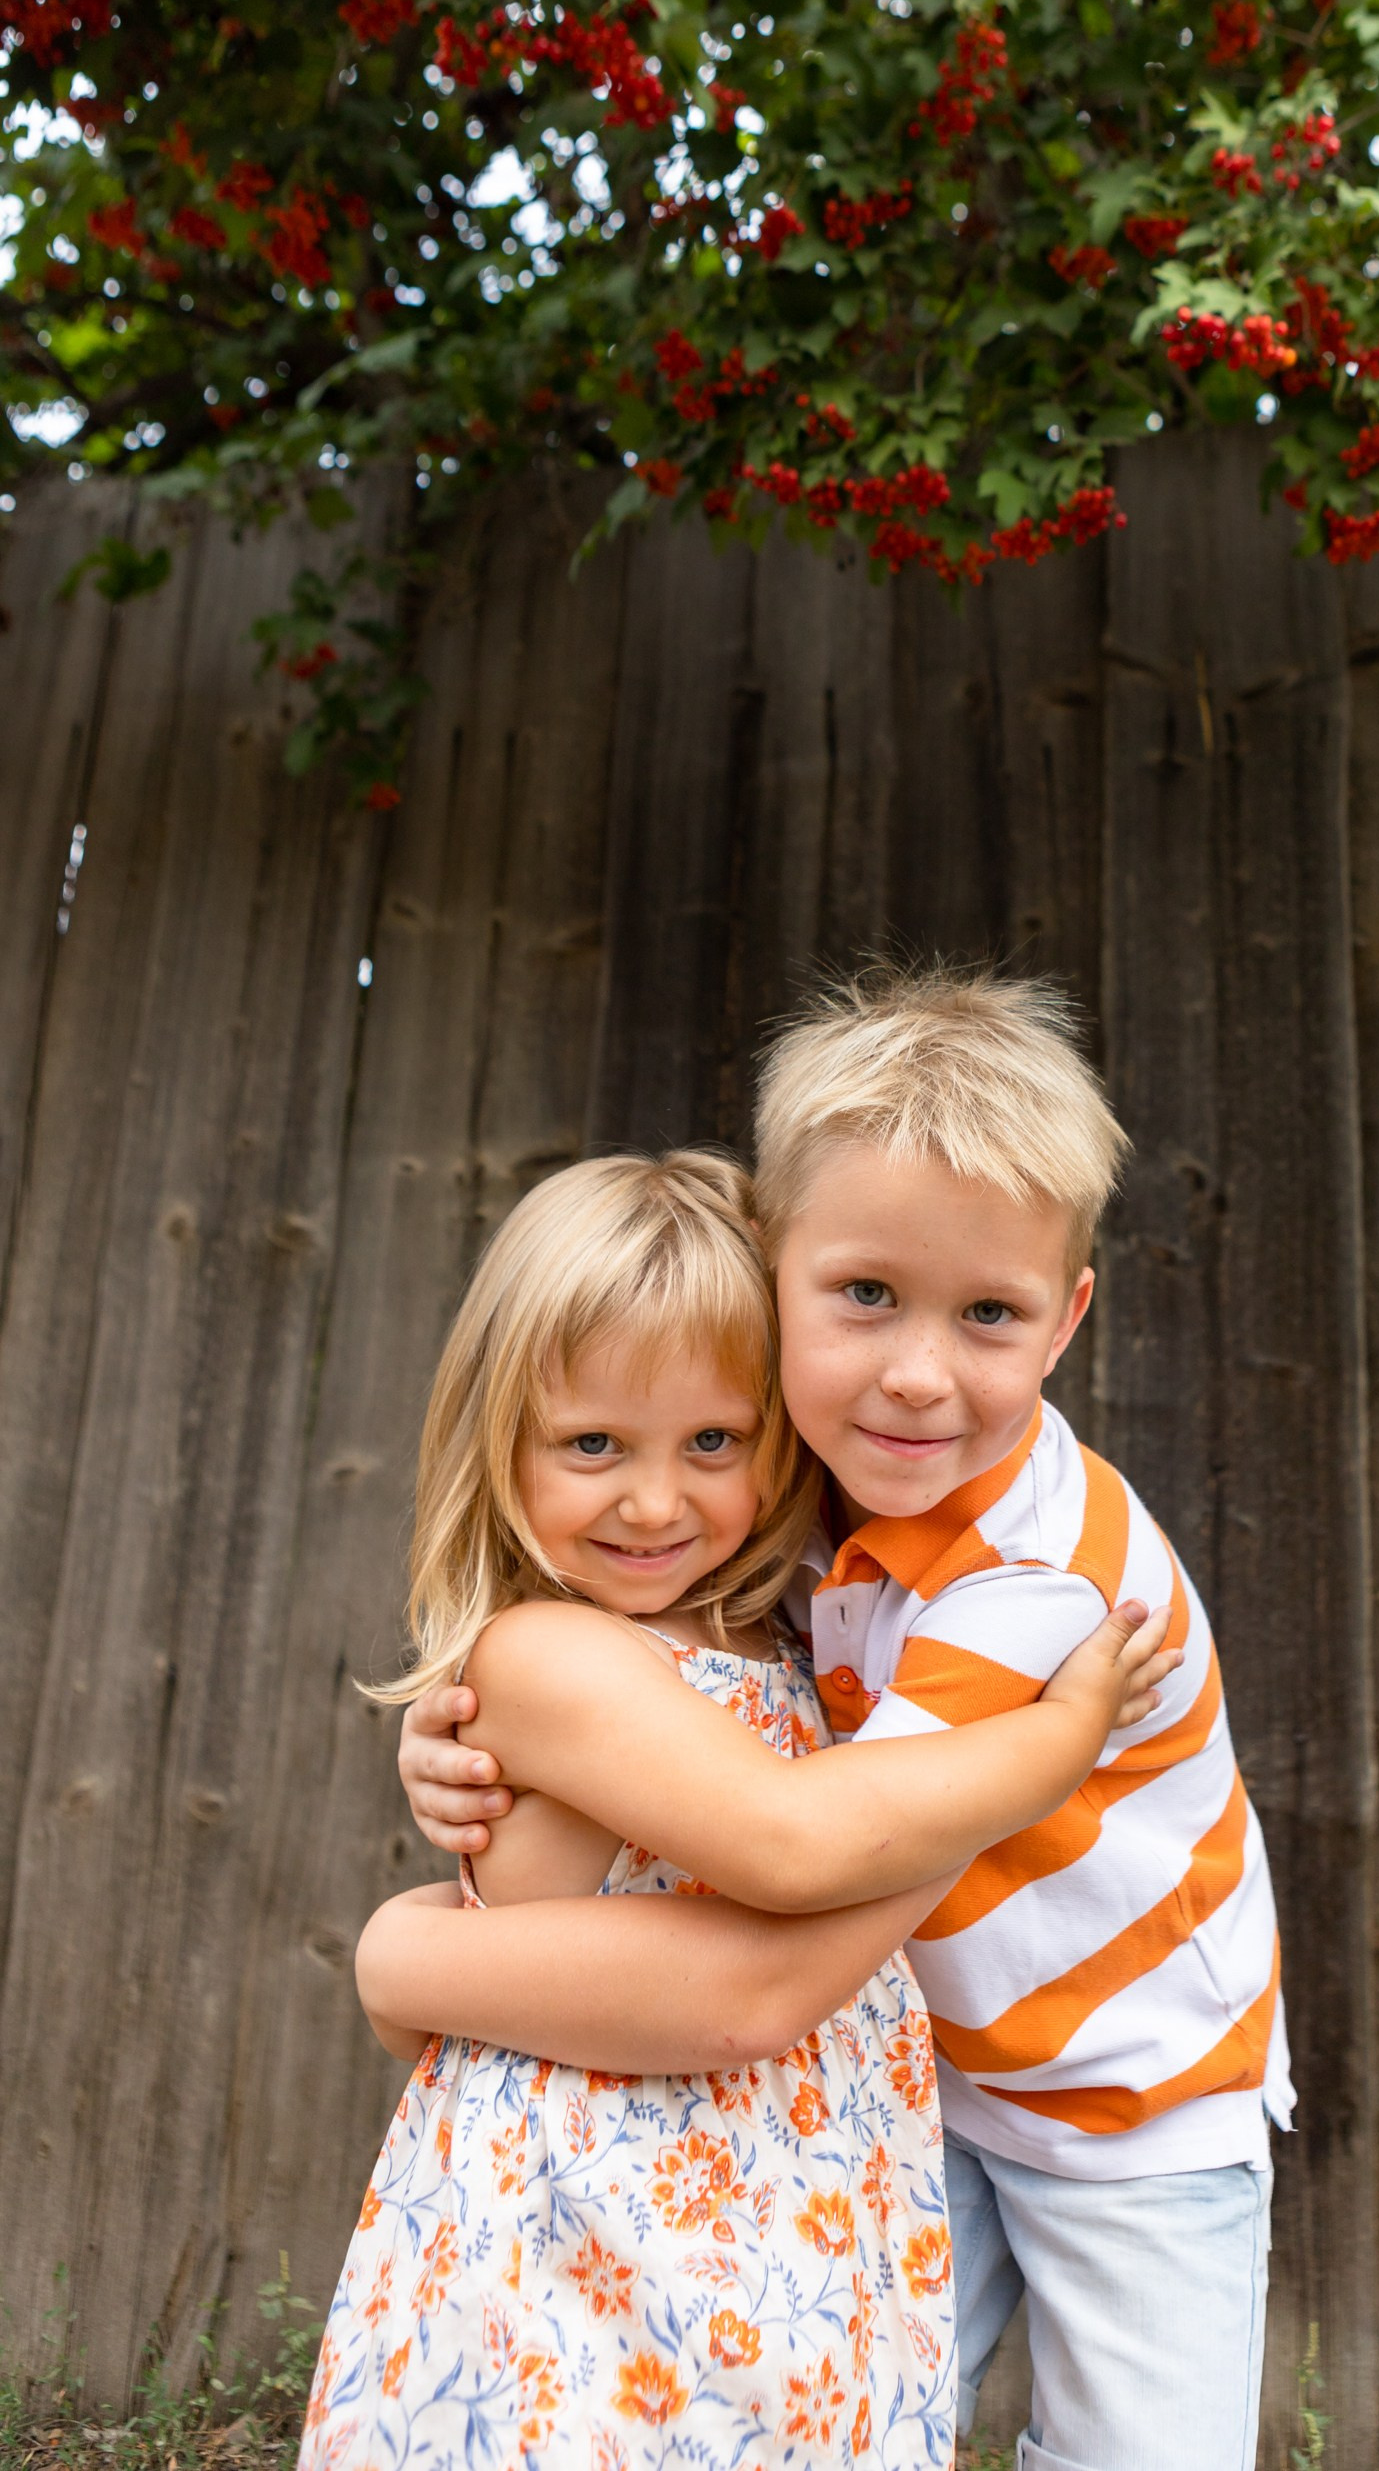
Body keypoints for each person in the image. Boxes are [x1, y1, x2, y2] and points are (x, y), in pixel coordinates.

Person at [379, 969, 1292, 2471]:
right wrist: (468, 1746)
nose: (918, 1375)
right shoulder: (790, 1494)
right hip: (921, 2059)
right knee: (847, 2412)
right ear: (773, 1268)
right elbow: (661, 1704)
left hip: (1123, 2096)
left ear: (1065, 1319)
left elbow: (805, 1855)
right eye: (865, 1294)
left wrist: (411, 1950)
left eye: (987, 1314)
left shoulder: (1040, 1587)